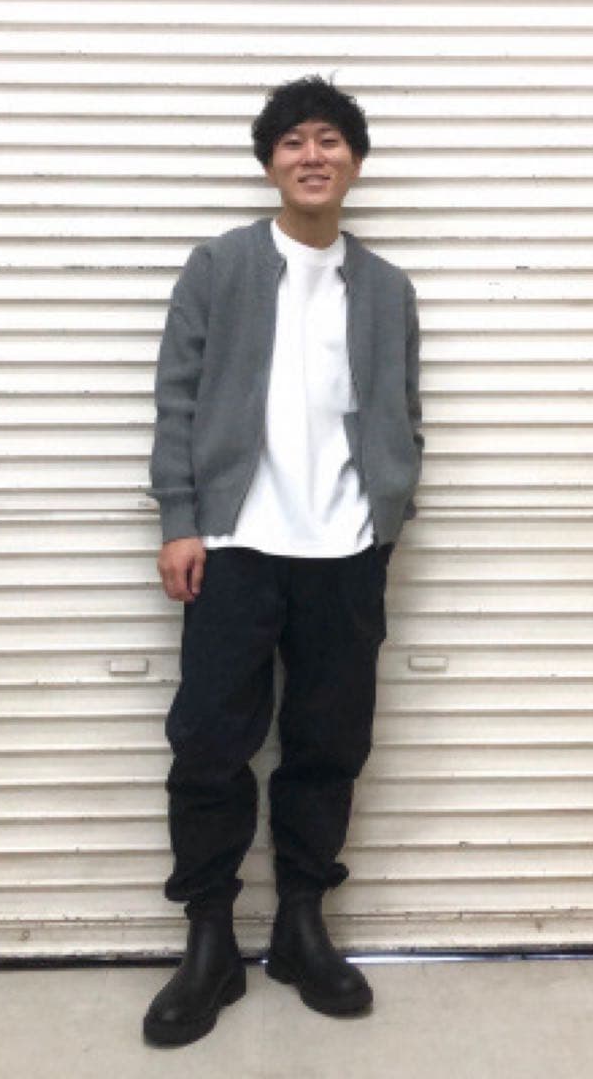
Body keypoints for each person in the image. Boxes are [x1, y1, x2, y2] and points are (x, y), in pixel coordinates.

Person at [142, 73, 424, 1047]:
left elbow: (405, 408)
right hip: (233, 544)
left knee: (328, 744)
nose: (313, 155)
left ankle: (303, 928)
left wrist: (389, 511)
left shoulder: (385, 288)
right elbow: (177, 398)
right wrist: (181, 519)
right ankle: (210, 941)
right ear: (270, 163)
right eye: (294, 140)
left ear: (355, 162)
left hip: (345, 550)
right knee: (210, 744)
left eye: (330, 139)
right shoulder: (219, 265)